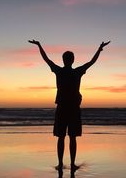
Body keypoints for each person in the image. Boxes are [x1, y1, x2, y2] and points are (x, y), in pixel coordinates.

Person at [28, 39, 110, 170]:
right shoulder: (76, 72)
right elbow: (92, 62)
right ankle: (72, 164)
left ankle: (61, 164)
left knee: (61, 137)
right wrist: (99, 49)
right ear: (72, 60)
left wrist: (39, 45)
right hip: (73, 109)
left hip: (62, 108)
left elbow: (46, 59)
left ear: (64, 60)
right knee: (72, 137)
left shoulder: (59, 71)